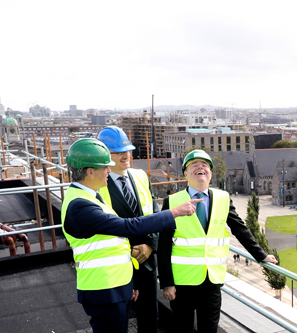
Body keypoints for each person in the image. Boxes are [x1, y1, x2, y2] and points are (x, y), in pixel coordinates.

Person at [61, 138, 201, 333]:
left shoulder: (88, 196)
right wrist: (173, 213)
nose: (109, 170)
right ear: (90, 171)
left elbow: (112, 243)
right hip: (104, 289)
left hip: (115, 285)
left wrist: (129, 284)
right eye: (105, 167)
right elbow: (128, 227)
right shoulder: (80, 206)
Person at [158, 149, 278, 333]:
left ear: (211, 173)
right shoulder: (172, 202)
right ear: (185, 173)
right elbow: (164, 244)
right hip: (182, 284)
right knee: (183, 329)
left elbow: (240, 228)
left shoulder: (223, 198)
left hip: (211, 282)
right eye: (194, 164)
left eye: (205, 164)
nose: (200, 167)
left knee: (210, 330)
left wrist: (261, 255)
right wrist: (167, 283)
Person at [96, 126, 160, 333]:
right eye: (119, 151)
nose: (126, 155)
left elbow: (155, 215)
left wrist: (150, 245)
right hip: (119, 265)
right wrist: (131, 251)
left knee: (150, 317)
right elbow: (100, 230)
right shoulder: (96, 188)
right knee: (118, 320)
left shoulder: (140, 176)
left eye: (128, 149)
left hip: (147, 262)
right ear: (104, 155)